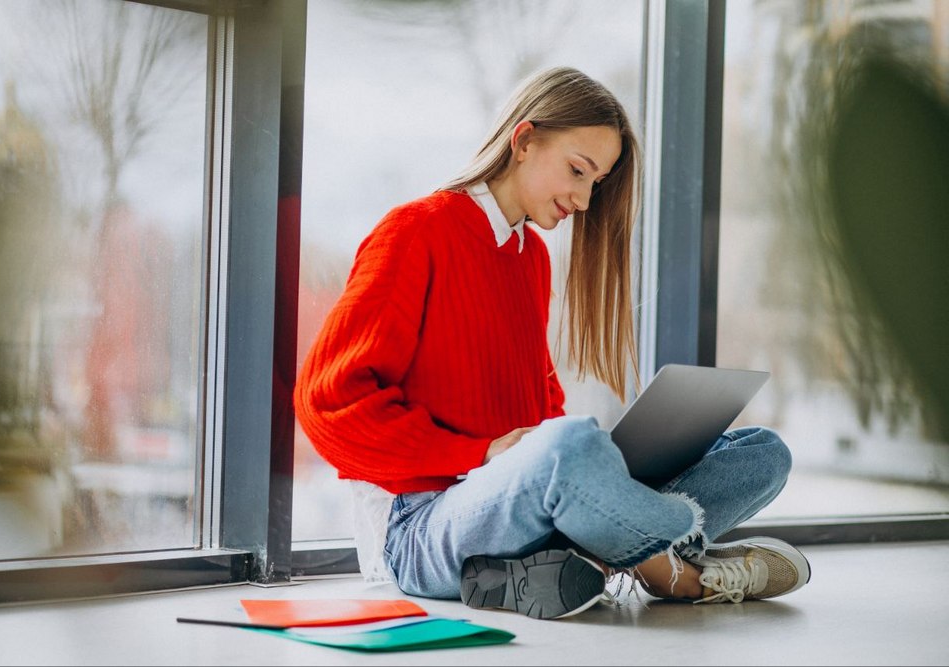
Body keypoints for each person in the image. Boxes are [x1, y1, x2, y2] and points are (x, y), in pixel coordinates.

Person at [294, 66, 810, 620]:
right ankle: (675, 571)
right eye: (578, 171)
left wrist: (596, 459)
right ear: (523, 140)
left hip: (529, 509)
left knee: (761, 453)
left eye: (597, 183)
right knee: (571, 448)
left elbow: (542, 410)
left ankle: (589, 555)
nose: (585, 200)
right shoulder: (417, 231)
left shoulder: (530, 259)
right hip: (420, 528)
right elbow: (326, 407)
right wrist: (483, 453)